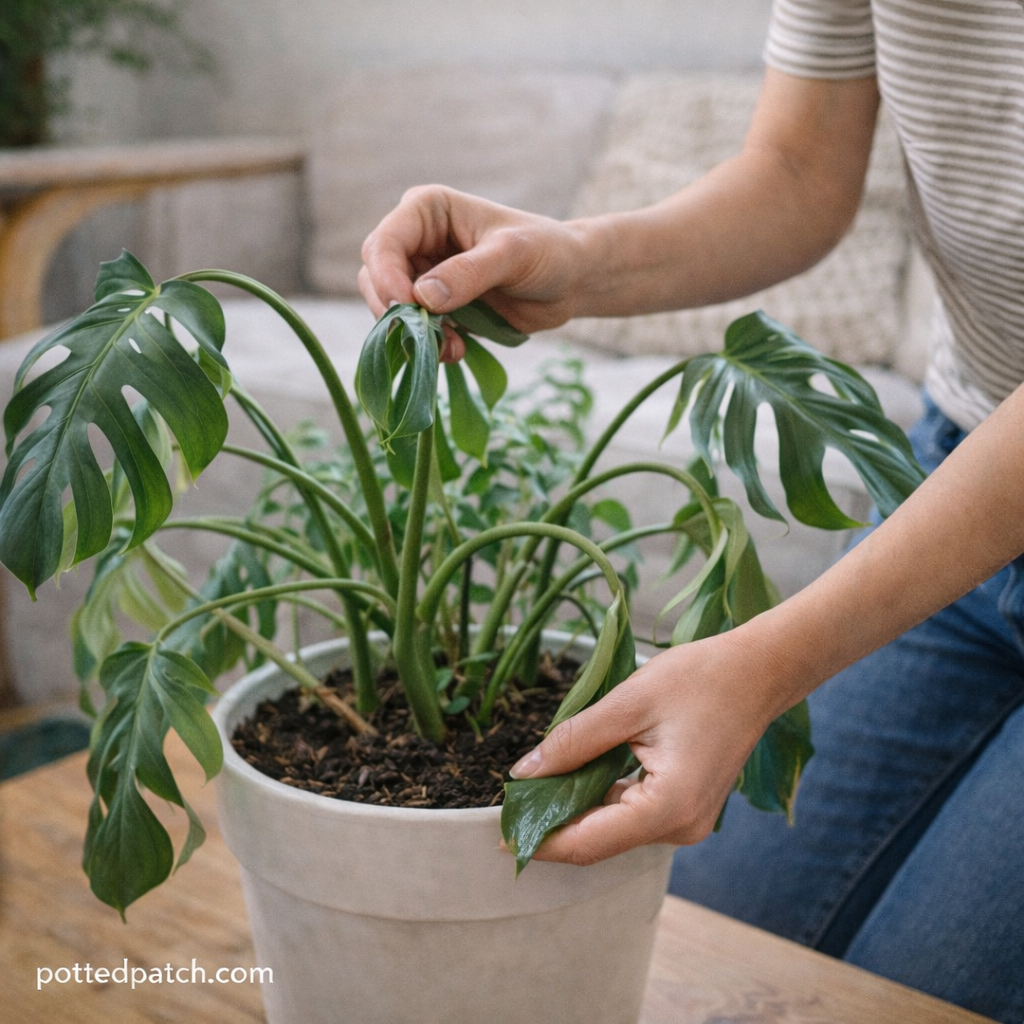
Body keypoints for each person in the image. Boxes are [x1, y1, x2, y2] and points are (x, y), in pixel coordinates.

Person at [359, 2, 1024, 1019]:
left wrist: (761, 661)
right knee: (720, 939)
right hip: (962, 474)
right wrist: (574, 258)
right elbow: (797, 171)